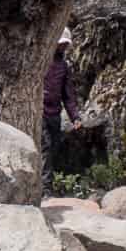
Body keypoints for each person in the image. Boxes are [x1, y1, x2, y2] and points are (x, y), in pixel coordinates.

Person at [42, 31, 82, 173]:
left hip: (55, 114)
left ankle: (48, 183)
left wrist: (75, 117)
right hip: (40, 112)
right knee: (44, 147)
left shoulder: (63, 66)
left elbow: (68, 95)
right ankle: (45, 189)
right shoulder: (41, 61)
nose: (64, 46)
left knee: (53, 148)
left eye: (66, 44)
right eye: (62, 43)